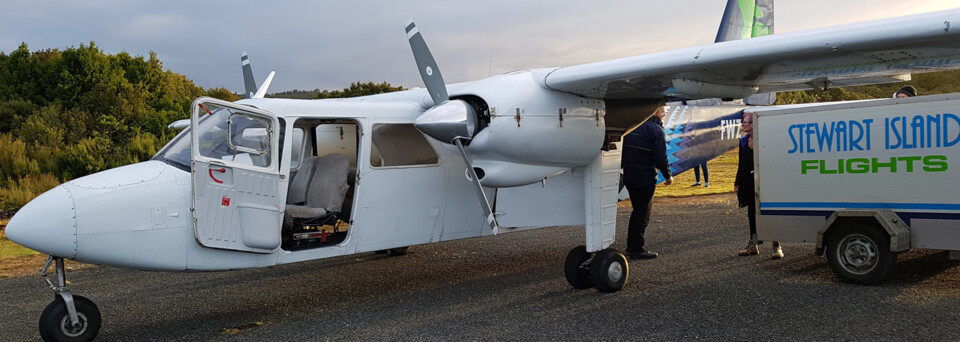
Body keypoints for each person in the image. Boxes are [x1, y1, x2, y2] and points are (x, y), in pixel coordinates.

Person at [622, 105, 674, 260]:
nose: (663, 116)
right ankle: (635, 248)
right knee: (642, 214)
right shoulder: (656, 130)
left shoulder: (631, 127)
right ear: (656, 112)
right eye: (663, 113)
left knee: (637, 211)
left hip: (630, 176)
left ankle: (633, 245)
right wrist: (668, 176)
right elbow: (661, 158)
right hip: (645, 178)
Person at [734, 112, 783, 259]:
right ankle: (753, 244)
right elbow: (741, 164)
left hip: (765, 182)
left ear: (754, 124)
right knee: (752, 214)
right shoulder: (743, 141)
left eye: (745, 122)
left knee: (770, 212)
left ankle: (777, 245)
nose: (743, 125)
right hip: (749, 182)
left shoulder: (765, 140)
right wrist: (737, 183)